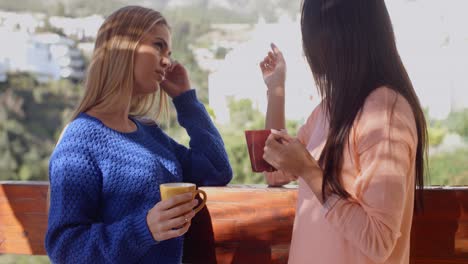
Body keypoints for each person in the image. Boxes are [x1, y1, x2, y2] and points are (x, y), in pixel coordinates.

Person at [45, 6, 232, 263]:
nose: (166, 61)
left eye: (169, 53)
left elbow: (217, 170)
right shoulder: (81, 140)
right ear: (124, 48)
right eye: (158, 46)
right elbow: (64, 248)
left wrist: (186, 100)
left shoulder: (149, 133)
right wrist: (144, 229)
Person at [259, 0, 427, 263]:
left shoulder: (384, 111)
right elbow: (274, 170)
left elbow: (378, 240)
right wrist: (276, 89)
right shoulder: (329, 109)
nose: (309, 50)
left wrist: (309, 171)